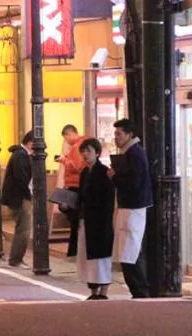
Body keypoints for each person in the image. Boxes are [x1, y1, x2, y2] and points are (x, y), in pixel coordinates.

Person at [110, 119, 153, 298]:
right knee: (128, 249)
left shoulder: (134, 153)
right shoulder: (131, 152)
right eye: (115, 135)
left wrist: (115, 176)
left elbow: (134, 181)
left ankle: (140, 290)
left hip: (133, 206)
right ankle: (138, 289)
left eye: (119, 134)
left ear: (129, 134)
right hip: (130, 205)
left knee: (130, 249)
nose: (116, 138)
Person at [75, 138, 115, 299]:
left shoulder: (104, 172)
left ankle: (103, 291)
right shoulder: (85, 172)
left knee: (101, 256)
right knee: (88, 255)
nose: (85, 154)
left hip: (100, 220)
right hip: (87, 219)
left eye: (88, 151)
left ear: (97, 153)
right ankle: (93, 290)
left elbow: (108, 199)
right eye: (83, 151)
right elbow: (81, 196)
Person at [0, 131, 35, 268]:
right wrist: (28, 195)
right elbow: (22, 179)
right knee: (24, 229)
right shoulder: (20, 156)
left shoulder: (21, 155)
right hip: (20, 198)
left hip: (19, 197)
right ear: (30, 142)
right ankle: (16, 259)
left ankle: (17, 258)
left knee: (22, 229)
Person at [59, 124, 86, 258]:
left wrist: (64, 160)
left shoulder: (77, 146)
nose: (66, 140)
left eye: (66, 137)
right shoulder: (78, 145)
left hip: (74, 186)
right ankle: (74, 249)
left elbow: (77, 166)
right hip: (74, 186)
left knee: (74, 219)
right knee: (74, 220)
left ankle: (74, 250)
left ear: (70, 134)